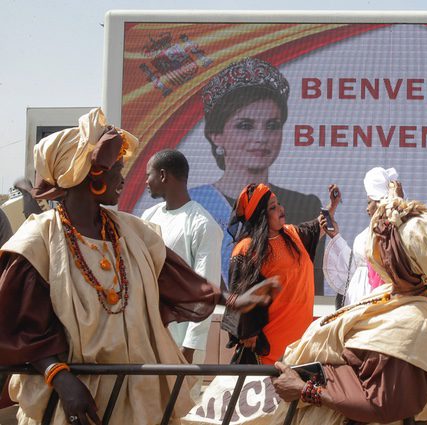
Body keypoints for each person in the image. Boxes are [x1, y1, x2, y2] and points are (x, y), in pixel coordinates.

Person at [0, 108, 278, 425]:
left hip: (135, 399)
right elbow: (23, 326)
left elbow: (180, 280)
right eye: (116, 168)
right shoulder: (38, 240)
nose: (124, 177)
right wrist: (62, 379)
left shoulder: (133, 232)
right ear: (89, 175)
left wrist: (231, 300)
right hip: (71, 403)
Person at [269, 194, 427, 424]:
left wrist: (303, 389)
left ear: (402, 260)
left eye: (387, 244)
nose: (379, 249)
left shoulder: (411, 322)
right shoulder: (392, 296)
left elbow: (380, 404)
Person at [189, 57, 322, 287]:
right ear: (216, 134)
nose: (261, 138)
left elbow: (311, 286)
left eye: (272, 126)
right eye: (245, 126)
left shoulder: (304, 206)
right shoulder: (193, 204)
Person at [222, 182, 337, 365]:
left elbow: (319, 226)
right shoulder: (246, 249)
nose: (280, 209)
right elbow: (238, 296)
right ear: (261, 215)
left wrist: (332, 205)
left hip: (299, 348)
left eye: (279, 204)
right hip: (267, 353)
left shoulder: (292, 234)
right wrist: (248, 333)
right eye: (273, 207)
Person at [141, 149, 223, 364]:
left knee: (180, 399)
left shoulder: (203, 224)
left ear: (163, 175)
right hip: (149, 336)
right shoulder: (149, 217)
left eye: (148, 175)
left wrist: (190, 347)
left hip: (181, 343)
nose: (146, 182)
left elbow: (207, 290)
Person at [322, 167, 402, 307]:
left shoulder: (391, 232)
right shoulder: (366, 233)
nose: (367, 208)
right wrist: (335, 236)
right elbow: (352, 268)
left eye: (368, 202)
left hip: (377, 295)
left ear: (379, 204)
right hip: (356, 295)